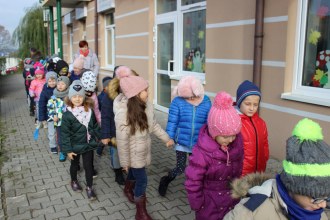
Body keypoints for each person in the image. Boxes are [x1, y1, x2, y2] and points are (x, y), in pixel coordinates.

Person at [224, 118, 330, 220]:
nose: (323, 205)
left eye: (327, 198)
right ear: (293, 187)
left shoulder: (319, 214)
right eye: (316, 198)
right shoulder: (250, 212)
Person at [114, 75, 174, 219]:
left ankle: (128, 188)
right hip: (133, 154)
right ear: (135, 94)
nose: (148, 92)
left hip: (143, 150)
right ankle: (140, 211)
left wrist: (166, 138)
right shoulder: (123, 114)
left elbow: (153, 126)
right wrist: (124, 163)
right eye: (145, 90)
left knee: (135, 174)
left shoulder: (146, 106)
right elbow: (122, 142)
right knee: (142, 180)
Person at [185, 91, 243, 220]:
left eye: (234, 135)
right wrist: (197, 203)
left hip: (231, 199)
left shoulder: (236, 146)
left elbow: (239, 170)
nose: (231, 139)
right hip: (209, 204)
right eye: (226, 136)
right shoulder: (202, 153)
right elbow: (193, 181)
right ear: (214, 133)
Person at [158, 75, 211, 197]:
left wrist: (211, 138)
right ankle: (165, 180)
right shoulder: (178, 102)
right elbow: (172, 121)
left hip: (198, 143)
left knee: (198, 168)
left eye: (194, 96)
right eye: (188, 97)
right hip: (182, 142)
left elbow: (209, 122)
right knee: (180, 167)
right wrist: (169, 137)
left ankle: (197, 188)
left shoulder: (206, 101)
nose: (192, 99)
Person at [61, 80, 101, 201]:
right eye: (74, 96)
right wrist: (67, 150)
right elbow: (65, 134)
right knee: (75, 165)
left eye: (80, 96)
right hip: (74, 146)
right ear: (70, 98)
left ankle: (89, 187)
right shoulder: (67, 115)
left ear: (84, 97)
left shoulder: (90, 111)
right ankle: (73, 181)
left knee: (89, 166)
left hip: (88, 145)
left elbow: (95, 126)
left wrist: (99, 137)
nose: (77, 99)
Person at [235, 80, 269, 176]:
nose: (252, 108)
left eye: (255, 105)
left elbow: (265, 143)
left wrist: (265, 157)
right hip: (241, 172)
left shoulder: (261, 123)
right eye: (248, 104)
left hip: (259, 169)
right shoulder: (234, 122)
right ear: (239, 102)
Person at [47, 76, 70, 161]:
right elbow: (50, 108)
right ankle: (62, 152)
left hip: (69, 122)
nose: (60, 86)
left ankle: (71, 151)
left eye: (62, 84)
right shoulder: (53, 97)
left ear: (67, 85)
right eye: (58, 84)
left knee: (70, 137)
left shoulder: (69, 96)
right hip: (59, 123)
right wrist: (53, 116)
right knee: (60, 139)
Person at [38, 71, 58, 153]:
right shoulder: (44, 92)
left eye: (54, 81)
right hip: (50, 116)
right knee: (52, 132)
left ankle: (61, 144)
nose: (52, 83)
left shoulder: (60, 89)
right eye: (50, 81)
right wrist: (42, 118)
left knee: (60, 131)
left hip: (60, 114)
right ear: (47, 81)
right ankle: (53, 145)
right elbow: (41, 105)